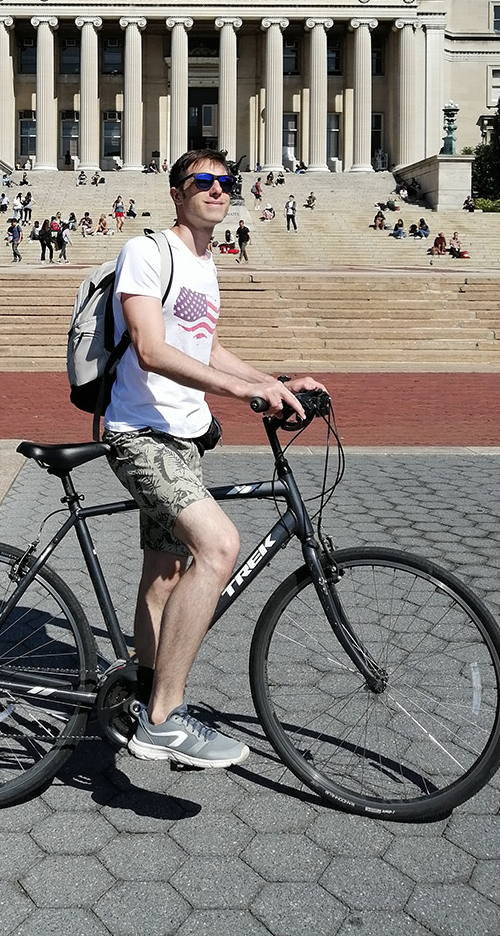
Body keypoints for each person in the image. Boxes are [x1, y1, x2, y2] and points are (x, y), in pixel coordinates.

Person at [103, 149, 324, 769]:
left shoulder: (205, 266)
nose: (217, 190)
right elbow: (149, 347)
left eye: (227, 183)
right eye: (203, 181)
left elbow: (204, 345)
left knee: (165, 577)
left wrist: (271, 380)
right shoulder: (149, 252)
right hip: (141, 434)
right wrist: (241, 390)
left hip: (182, 437)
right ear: (176, 192)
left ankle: (143, 696)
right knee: (220, 547)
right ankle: (164, 720)